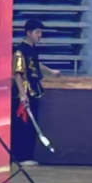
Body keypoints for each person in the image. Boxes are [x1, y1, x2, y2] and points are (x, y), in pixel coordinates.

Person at [12, 19, 61, 164]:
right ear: (29, 33)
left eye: (41, 33)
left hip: (34, 90)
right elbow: (17, 74)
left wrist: (51, 71)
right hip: (25, 91)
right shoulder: (19, 51)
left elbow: (36, 64)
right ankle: (20, 156)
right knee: (23, 125)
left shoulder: (32, 50)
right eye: (37, 32)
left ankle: (28, 156)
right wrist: (22, 94)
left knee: (32, 125)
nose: (40, 35)